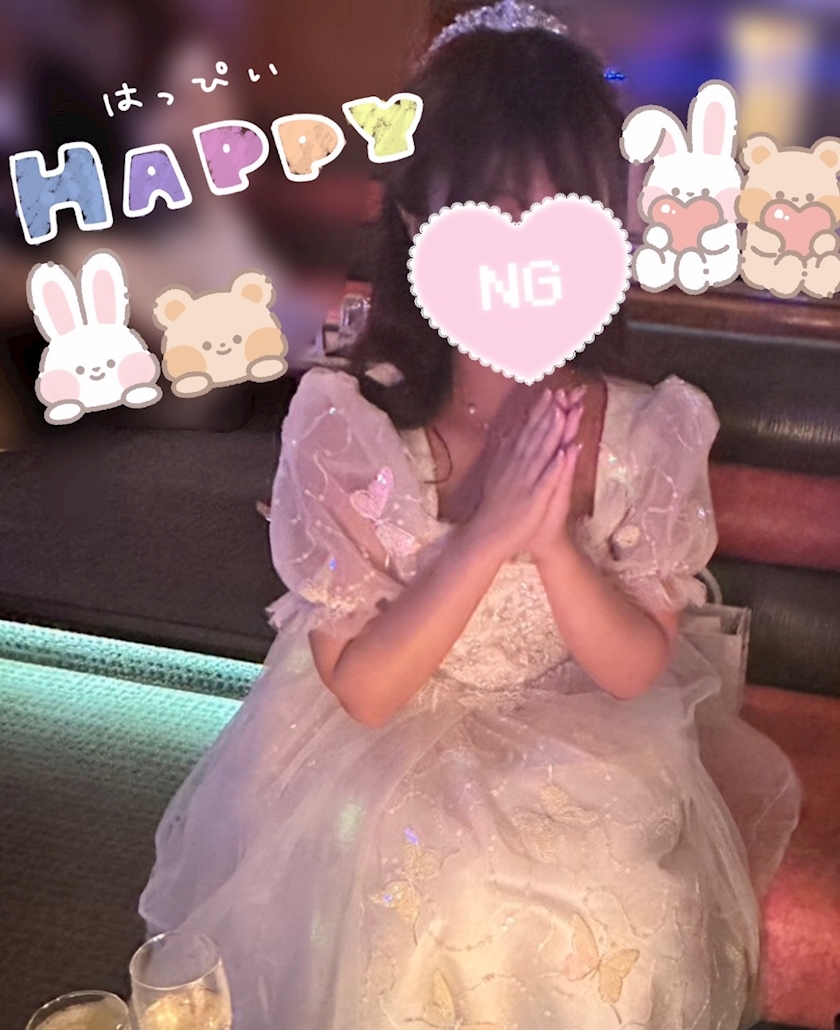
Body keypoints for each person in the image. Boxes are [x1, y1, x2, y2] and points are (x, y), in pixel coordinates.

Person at [139, 3, 801, 1027]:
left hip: (584, 743)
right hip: (384, 747)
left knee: (611, 897)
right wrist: (487, 537)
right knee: (432, 896)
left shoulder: (642, 429)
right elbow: (367, 692)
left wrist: (556, 549)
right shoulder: (350, 425)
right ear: (419, 220)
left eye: (563, 212)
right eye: (493, 208)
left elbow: (633, 670)